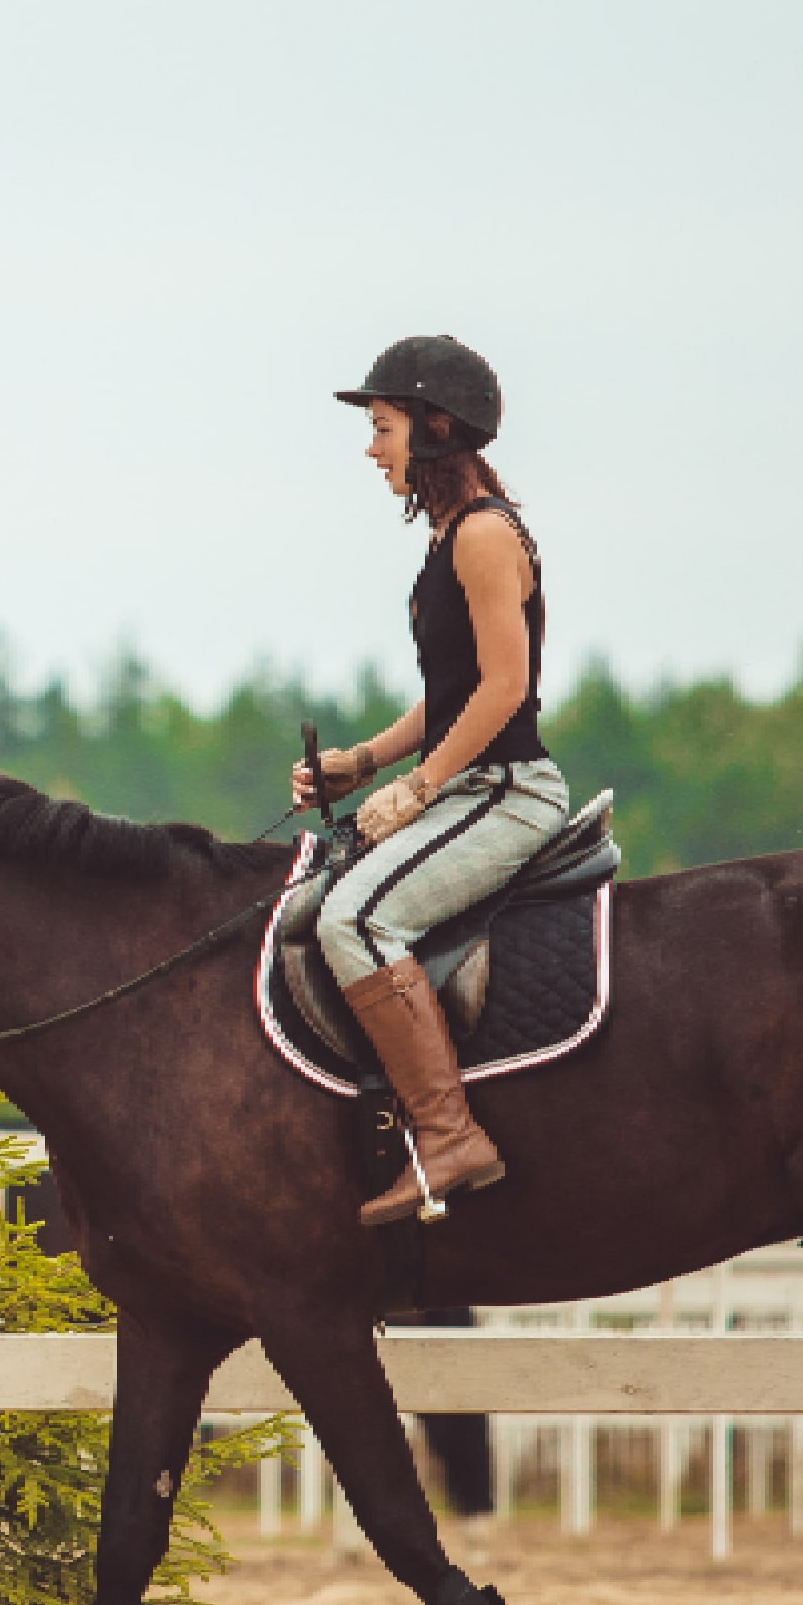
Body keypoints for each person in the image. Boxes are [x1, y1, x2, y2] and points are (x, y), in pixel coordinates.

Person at [290, 334, 568, 1226]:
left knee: (356, 918)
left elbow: (504, 688)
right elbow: (446, 700)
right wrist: (364, 762)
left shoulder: (484, 536)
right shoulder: (455, 534)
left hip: (503, 794)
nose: (371, 448)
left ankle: (447, 1136)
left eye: (382, 427)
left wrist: (416, 789)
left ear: (434, 428)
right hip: (470, 782)